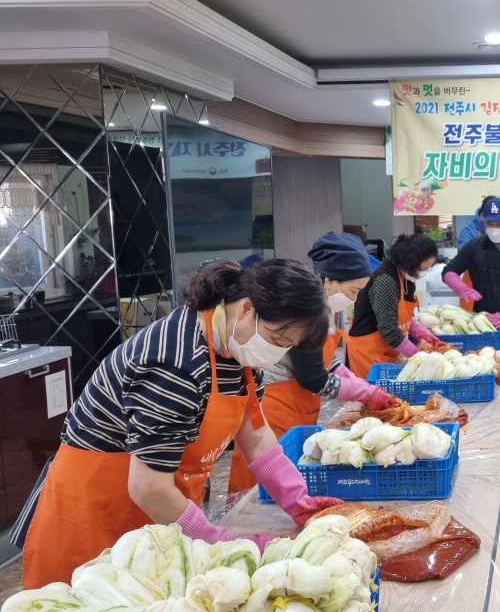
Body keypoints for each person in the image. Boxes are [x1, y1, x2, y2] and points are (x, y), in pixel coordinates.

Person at [19, 259, 344, 587]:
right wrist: (218, 543)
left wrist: (297, 499)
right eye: (278, 339)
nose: (278, 352)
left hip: (161, 515)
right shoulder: (177, 363)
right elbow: (148, 487)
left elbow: (257, 435)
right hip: (99, 515)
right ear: (246, 309)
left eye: (288, 346)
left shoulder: (237, 352)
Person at [227, 233, 395, 493]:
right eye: (354, 291)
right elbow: (313, 377)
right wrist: (364, 392)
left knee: (289, 487)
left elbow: (326, 363)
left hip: (298, 408)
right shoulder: (305, 313)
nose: (354, 299)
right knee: (259, 496)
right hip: (275, 408)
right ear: (330, 280)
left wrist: (356, 382)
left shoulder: (326, 308)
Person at [347, 232, 439, 379]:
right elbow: (388, 329)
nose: (424, 273)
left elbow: (403, 316)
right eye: (423, 268)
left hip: (388, 351)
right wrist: (417, 355)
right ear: (410, 262)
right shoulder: (386, 280)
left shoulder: (407, 278)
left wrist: (423, 333)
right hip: (368, 352)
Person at [440, 197, 500, 329]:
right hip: (481, 321)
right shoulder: (475, 245)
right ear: (482, 218)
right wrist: (462, 288)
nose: (494, 229)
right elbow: (449, 271)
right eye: (490, 224)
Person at [456, 194, 496, 310]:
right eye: (491, 221)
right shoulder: (469, 231)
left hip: (497, 288)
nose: (495, 225)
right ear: (483, 215)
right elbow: (465, 258)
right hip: (473, 287)